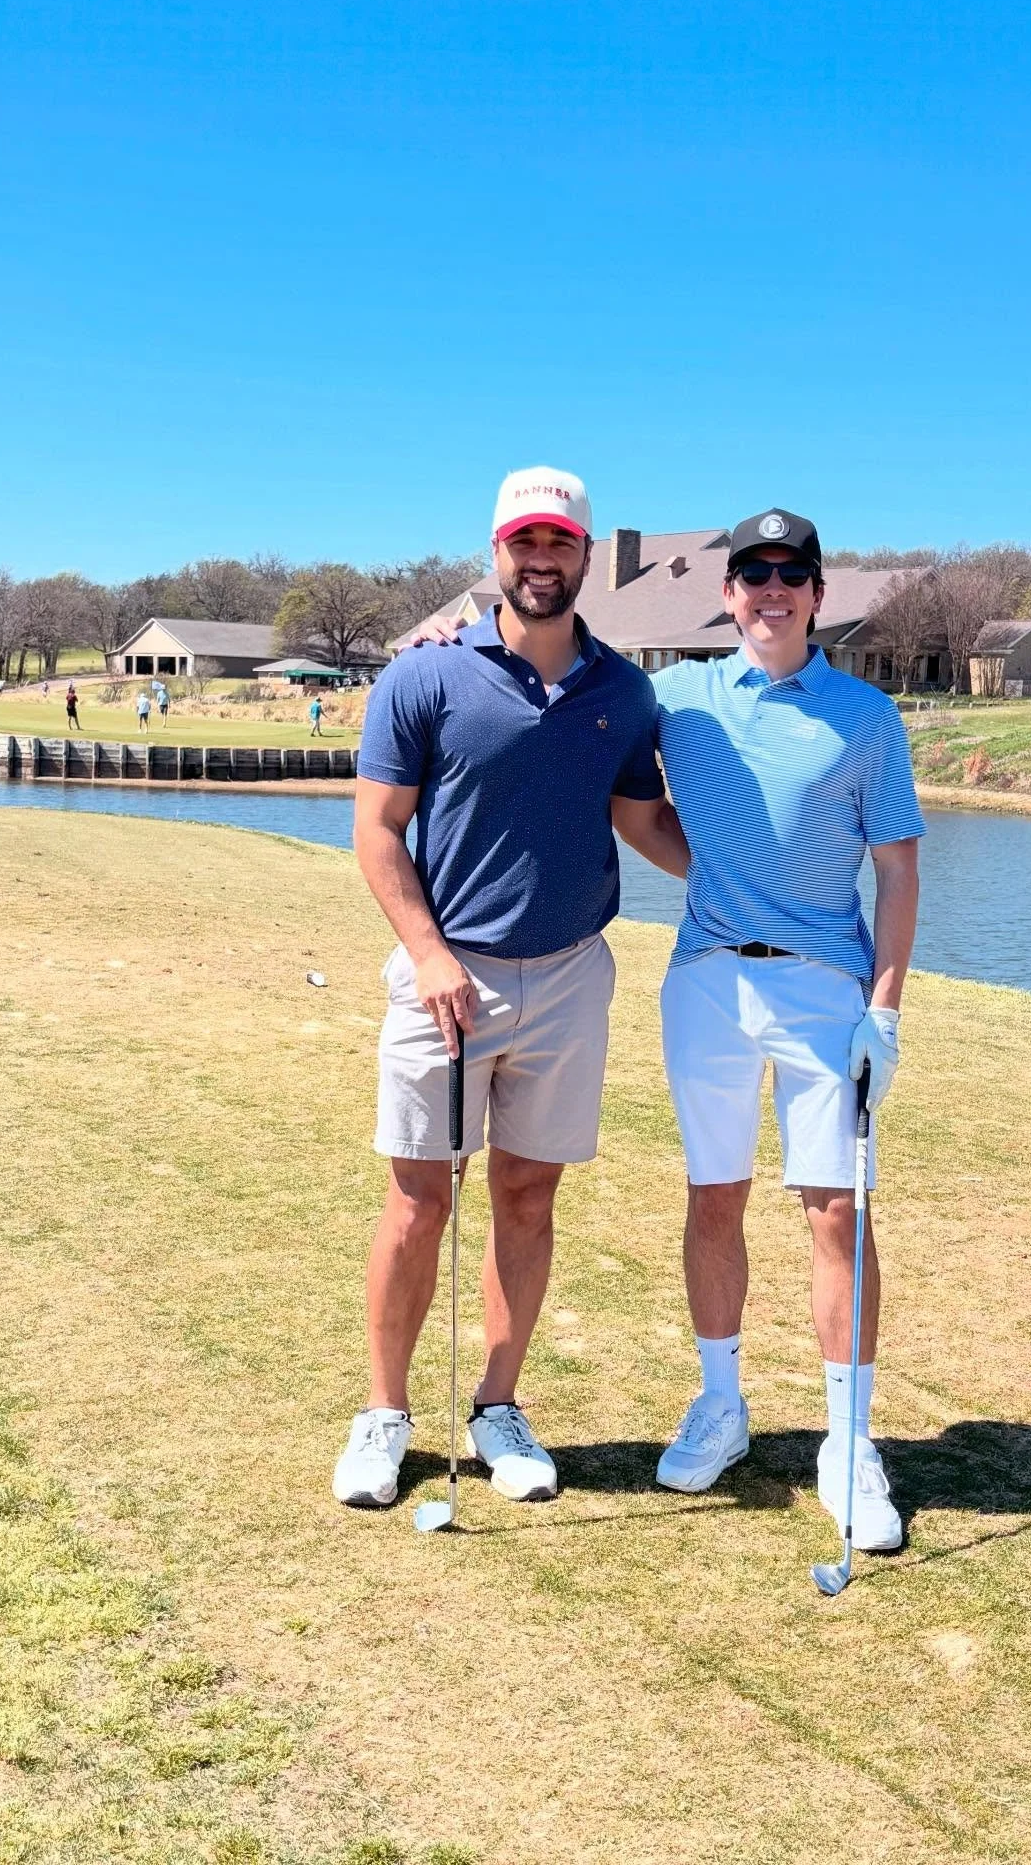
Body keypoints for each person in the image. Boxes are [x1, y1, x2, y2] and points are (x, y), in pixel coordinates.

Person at [332, 467, 672, 1511]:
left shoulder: (622, 690)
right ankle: (387, 1416)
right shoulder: (425, 679)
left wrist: (756, 892)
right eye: (523, 542)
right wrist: (430, 955)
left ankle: (497, 1405)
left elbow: (645, 823)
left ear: (583, 556)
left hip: (571, 977)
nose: (541, 560)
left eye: (559, 543)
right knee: (417, 1201)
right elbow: (377, 831)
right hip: (450, 977)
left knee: (528, 1195)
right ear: (496, 553)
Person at [617, 509, 923, 1551]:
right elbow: (619, 782)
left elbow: (896, 868)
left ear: (818, 597)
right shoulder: (678, 697)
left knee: (835, 1208)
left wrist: (885, 1004)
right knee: (714, 1196)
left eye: (793, 575)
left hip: (827, 992)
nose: (772, 590)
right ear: (731, 592)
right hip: (706, 981)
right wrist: (461, 642)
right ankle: (722, 1406)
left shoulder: (866, 716)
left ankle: (848, 1438)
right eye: (754, 574)